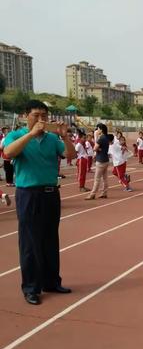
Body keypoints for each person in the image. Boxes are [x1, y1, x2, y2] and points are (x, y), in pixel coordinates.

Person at [2, 100, 76, 305]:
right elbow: (8, 153)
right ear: (26, 116)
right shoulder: (16, 136)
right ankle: (31, 287)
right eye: (36, 115)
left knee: (50, 239)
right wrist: (30, 134)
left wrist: (65, 136)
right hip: (29, 194)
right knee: (29, 242)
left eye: (44, 115)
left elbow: (71, 154)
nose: (41, 119)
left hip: (51, 193)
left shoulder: (52, 139)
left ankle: (51, 281)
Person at [85, 124, 110, 200]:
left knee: (97, 179)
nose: (97, 130)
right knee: (105, 178)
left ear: (101, 130)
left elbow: (95, 148)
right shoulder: (106, 137)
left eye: (98, 129)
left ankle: (92, 194)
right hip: (106, 159)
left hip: (101, 160)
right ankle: (104, 193)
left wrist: (97, 148)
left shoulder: (101, 138)